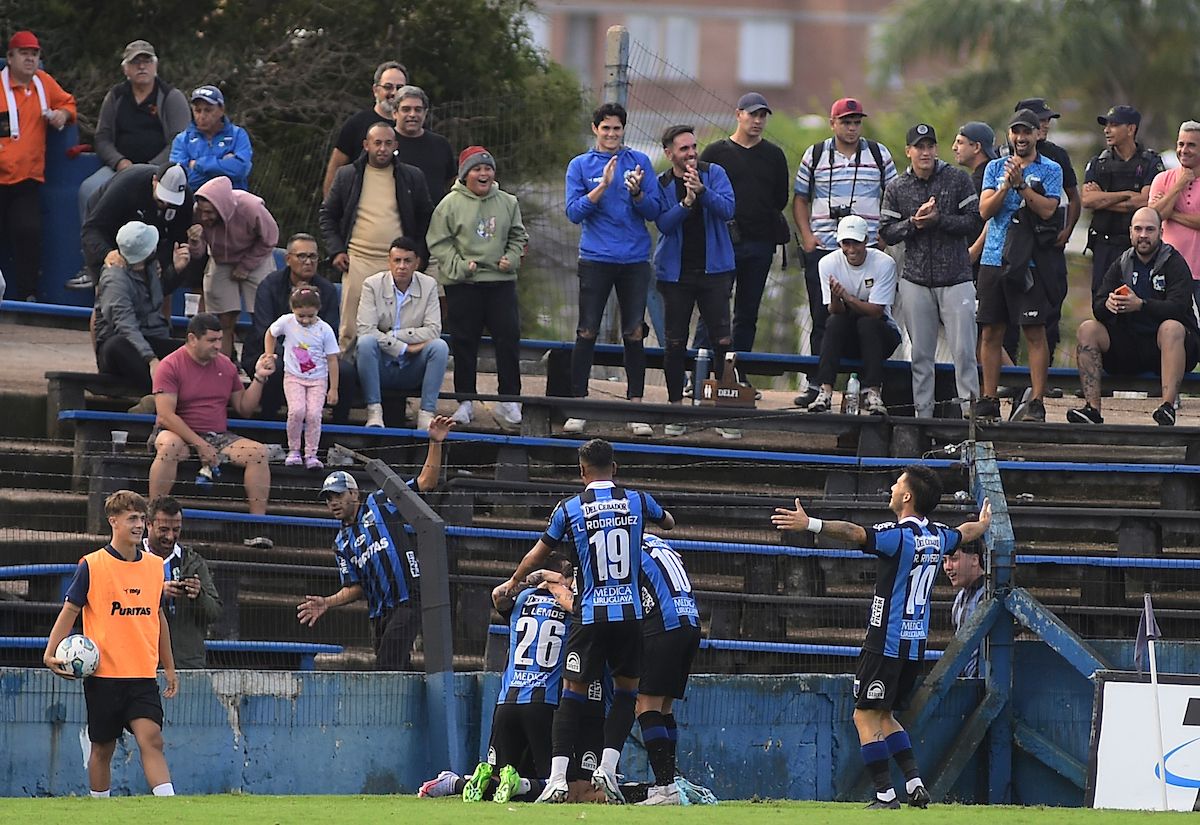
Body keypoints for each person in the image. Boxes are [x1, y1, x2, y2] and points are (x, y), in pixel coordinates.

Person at [771, 466, 992, 809]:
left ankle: (884, 795)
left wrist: (811, 524)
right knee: (886, 715)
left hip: (885, 642)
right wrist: (984, 524)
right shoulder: (938, 536)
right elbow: (965, 532)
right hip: (914, 644)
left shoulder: (899, 536)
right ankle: (916, 785)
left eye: (897, 483)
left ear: (907, 496)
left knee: (864, 715)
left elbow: (855, 532)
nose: (891, 487)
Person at [499, 438, 676, 803]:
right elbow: (669, 522)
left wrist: (515, 581)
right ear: (615, 467)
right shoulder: (639, 500)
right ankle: (607, 769)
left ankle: (557, 780)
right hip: (629, 614)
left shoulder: (570, 509)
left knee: (572, 694)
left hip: (589, 614)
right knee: (627, 692)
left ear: (581, 471)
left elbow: (538, 553)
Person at [43, 489, 178, 798]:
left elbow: (159, 620)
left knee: (152, 738)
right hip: (104, 677)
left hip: (142, 676)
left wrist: (169, 667)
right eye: (132, 518)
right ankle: (100, 808)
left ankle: (170, 808)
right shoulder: (92, 565)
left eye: (142, 519)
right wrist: (50, 653)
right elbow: (70, 611)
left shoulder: (154, 566)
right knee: (103, 748)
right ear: (113, 521)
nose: (139, 525)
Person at [297, 416, 453, 670]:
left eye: (338, 495)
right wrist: (327, 602)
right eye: (328, 499)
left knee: (386, 665)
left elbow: (426, 483)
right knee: (398, 667)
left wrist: (435, 444)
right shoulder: (341, 543)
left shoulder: (380, 503)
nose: (333, 502)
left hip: (408, 598)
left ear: (354, 493)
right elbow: (354, 587)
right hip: (379, 613)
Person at [562, 103, 663, 437]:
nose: (611, 134)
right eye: (605, 128)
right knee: (586, 330)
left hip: (634, 259)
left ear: (623, 130)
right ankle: (578, 406)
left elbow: (654, 210)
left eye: (617, 129)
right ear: (595, 129)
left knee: (634, 332)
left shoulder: (640, 162)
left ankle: (635, 406)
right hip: (595, 257)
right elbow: (574, 212)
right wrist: (602, 186)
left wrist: (636, 193)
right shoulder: (580, 165)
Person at [879, 123, 982, 418]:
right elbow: (886, 231)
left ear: (936, 149)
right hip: (916, 279)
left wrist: (939, 220)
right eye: (919, 147)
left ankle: (969, 416)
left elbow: (974, 221)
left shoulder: (957, 179)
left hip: (957, 277)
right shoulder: (897, 186)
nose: (925, 152)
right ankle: (922, 418)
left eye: (930, 146)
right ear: (908, 151)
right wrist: (914, 222)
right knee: (921, 356)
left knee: (964, 353)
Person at [792, 97, 897, 385]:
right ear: (832, 123)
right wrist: (808, 238)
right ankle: (816, 383)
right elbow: (800, 198)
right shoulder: (815, 155)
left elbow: (894, 196)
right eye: (846, 122)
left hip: (868, 250)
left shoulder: (878, 154)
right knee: (822, 317)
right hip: (825, 247)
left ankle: (868, 384)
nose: (852, 128)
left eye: (856, 122)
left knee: (871, 319)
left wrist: (883, 238)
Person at [426, 145, 528, 429]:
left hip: (501, 283)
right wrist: (459, 266)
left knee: (508, 340)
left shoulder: (508, 202)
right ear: (465, 174)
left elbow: (519, 236)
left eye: (487, 168)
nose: (483, 173)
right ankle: (465, 401)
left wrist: (512, 257)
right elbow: (439, 242)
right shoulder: (449, 204)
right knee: (464, 342)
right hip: (464, 284)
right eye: (476, 169)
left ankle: (509, 399)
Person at [1069, 207, 1199, 427]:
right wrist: (1108, 305)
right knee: (1087, 329)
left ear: (1160, 232)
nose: (1143, 235)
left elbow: (1178, 308)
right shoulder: (1122, 262)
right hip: (1130, 346)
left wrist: (1141, 305)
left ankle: (1167, 407)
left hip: (1170, 348)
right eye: (1138, 229)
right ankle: (1092, 409)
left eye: (1150, 229)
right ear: (1130, 233)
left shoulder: (1174, 262)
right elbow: (1098, 305)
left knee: (1171, 327)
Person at [975, 109, 1064, 422]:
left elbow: (1048, 210)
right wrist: (1005, 185)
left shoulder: (1050, 169)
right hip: (993, 257)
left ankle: (1037, 401)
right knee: (990, 331)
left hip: (1030, 261)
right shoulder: (994, 167)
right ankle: (988, 398)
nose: (1021, 138)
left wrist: (1022, 186)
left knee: (1034, 331)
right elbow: (985, 210)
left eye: (1027, 132)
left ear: (1037, 134)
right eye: (1016, 132)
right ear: (1009, 135)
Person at [652, 124, 735, 437]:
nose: (690, 154)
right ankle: (675, 408)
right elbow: (663, 224)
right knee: (674, 343)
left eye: (693, 147)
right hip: (676, 274)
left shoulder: (714, 173)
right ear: (669, 152)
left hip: (715, 270)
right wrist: (686, 202)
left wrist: (702, 191)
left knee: (723, 341)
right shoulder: (661, 182)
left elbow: (728, 209)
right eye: (683, 149)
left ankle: (723, 412)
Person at [150, 312, 276, 517]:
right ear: (192, 339)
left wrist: (259, 378)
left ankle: (257, 523)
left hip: (217, 435)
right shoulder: (170, 365)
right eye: (211, 340)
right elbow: (165, 415)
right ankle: (154, 514)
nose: (218, 345)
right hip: (176, 431)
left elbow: (244, 408)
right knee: (170, 446)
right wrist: (200, 444)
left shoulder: (226, 365)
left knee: (258, 452)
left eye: (220, 339)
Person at [321, 121, 433, 347]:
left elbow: (426, 218)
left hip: (397, 262)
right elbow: (327, 215)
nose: (382, 149)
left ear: (396, 145)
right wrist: (336, 251)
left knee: (394, 325)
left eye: (388, 143)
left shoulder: (411, 176)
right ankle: (348, 375)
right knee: (350, 327)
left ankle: (389, 375)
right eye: (377, 143)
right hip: (357, 259)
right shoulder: (347, 175)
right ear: (366, 145)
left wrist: (418, 254)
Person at [695, 92, 790, 360]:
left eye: (762, 115)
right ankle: (698, 371)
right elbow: (701, 194)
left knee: (747, 314)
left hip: (760, 243)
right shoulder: (715, 152)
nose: (758, 120)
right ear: (738, 115)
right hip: (721, 242)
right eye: (752, 114)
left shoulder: (774, 156)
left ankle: (736, 372)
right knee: (712, 308)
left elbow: (780, 198)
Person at [72, 39, 189, 241]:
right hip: (119, 168)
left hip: (158, 171)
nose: (142, 66)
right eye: (136, 62)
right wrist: (120, 162)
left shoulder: (171, 96)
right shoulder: (115, 96)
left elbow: (180, 140)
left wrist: (149, 167)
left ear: (155, 65)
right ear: (126, 68)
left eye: (147, 61)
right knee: (88, 190)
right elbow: (102, 137)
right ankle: (93, 251)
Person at [0, 30, 77, 301]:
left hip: (26, 179)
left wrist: (61, 115)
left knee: (29, 232)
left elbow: (69, 103)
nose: (30, 59)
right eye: (24, 53)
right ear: (10, 58)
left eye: (34, 54)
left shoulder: (44, 83)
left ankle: (28, 296)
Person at [806, 215, 900, 416]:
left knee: (868, 323)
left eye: (856, 243)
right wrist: (835, 297)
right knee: (834, 322)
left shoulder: (884, 264)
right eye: (846, 243)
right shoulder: (828, 263)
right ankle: (825, 389)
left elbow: (877, 311)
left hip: (880, 335)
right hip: (846, 335)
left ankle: (873, 390)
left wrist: (848, 298)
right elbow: (834, 311)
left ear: (866, 241)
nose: (851, 249)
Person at [242, 233, 340, 418]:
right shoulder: (269, 285)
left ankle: (338, 430)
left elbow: (331, 330)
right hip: (272, 350)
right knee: (275, 367)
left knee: (347, 372)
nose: (308, 262)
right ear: (288, 259)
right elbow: (264, 329)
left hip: (316, 355)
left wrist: (310, 358)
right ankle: (269, 422)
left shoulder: (327, 289)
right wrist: (297, 357)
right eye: (302, 256)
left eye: (313, 256)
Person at [355, 236, 449, 429]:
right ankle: (374, 412)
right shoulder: (372, 284)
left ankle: (426, 415)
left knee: (440, 347)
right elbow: (366, 329)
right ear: (389, 262)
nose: (402, 266)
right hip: (381, 363)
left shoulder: (429, 284)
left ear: (417, 263)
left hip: (411, 367)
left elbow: (434, 330)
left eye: (407, 261)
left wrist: (395, 335)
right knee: (365, 343)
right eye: (397, 260)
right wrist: (404, 347)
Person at [635, 534, 701, 805]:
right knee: (664, 708)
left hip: (663, 624)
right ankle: (672, 781)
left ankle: (665, 788)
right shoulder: (657, 541)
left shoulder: (625, 544)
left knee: (645, 705)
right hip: (690, 622)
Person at [1014, 98, 1081, 362]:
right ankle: (1012, 376)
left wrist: (1068, 230)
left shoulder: (1056, 155)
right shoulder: (1003, 156)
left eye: (1047, 121)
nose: (1045, 125)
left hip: (1047, 241)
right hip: (1015, 243)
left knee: (1051, 307)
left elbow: (1075, 197)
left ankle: (1047, 373)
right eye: (1040, 120)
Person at [193, 175, 280, 359]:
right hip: (220, 259)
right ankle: (224, 363)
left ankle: (262, 359)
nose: (204, 216)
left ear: (221, 207)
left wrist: (246, 265)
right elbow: (199, 252)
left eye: (209, 212)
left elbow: (270, 238)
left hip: (255, 256)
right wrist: (195, 242)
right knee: (223, 317)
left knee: (261, 313)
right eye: (201, 211)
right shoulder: (198, 213)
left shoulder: (251, 208)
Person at [94, 221, 187, 391]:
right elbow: (125, 326)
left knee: (193, 350)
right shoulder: (115, 279)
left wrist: (176, 270)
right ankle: (161, 393)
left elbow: (157, 295)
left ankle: (185, 394)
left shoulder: (150, 266)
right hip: (122, 346)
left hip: (151, 337)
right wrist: (151, 359)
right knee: (118, 345)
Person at [1082, 105, 1164, 293]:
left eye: (1113, 125)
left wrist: (1103, 200)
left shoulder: (1150, 161)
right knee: (1103, 301)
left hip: (1137, 246)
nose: (1106, 130)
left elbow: (1145, 202)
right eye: (1106, 125)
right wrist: (1127, 194)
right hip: (1104, 245)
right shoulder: (1099, 162)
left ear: (1130, 129)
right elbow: (1087, 200)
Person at [79, 162, 194, 289]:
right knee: (109, 284)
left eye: (171, 201)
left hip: (151, 235)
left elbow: (179, 240)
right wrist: (107, 253)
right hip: (109, 225)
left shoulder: (185, 200)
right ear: (154, 181)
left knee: (157, 282)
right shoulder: (127, 184)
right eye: (162, 198)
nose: (166, 203)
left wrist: (170, 267)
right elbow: (92, 229)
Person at [265, 285, 340, 469]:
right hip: (293, 377)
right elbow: (270, 333)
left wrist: (333, 388)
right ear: (293, 310)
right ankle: (294, 450)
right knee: (296, 411)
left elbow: (332, 359)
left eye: (310, 316)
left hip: (317, 380)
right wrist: (269, 354)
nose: (305, 320)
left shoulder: (325, 330)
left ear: (318, 310)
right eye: (301, 316)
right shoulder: (287, 322)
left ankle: (311, 454)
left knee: (314, 414)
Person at [145, 495, 222, 669]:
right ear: (148, 524)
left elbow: (215, 612)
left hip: (187, 663)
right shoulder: (131, 559)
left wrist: (198, 595)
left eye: (176, 529)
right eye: (163, 529)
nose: (170, 536)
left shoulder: (194, 562)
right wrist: (159, 594)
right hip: (142, 663)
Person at [321, 60, 408, 197]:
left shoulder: (413, 129)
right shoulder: (356, 124)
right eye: (388, 87)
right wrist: (330, 209)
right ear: (375, 90)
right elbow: (335, 168)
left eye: (400, 88)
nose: (394, 93)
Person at [1149, 121, 1200, 309]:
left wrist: (1172, 214)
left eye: (1191, 145)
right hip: (1168, 271)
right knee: (1170, 328)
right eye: (1181, 144)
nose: (1184, 150)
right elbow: (1154, 217)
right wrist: (1179, 184)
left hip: (1198, 275)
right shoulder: (1162, 179)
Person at [169, 85, 252, 192]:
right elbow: (179, 179)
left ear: (221, 110)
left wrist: (197, 164)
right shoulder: (182, 140)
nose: (202, 116)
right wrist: (224, 166)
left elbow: (241, 170)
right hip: (195, 203)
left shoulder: (238, 135)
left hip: (233, 201)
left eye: (208, 110)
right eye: (197, 111)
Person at [392, 85, 457, 204]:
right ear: (395, 113)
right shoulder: (384, 145)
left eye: (418, 109)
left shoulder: (440, 144)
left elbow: (452, 182)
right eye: (406, 109)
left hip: (434, 219)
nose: (412, 114)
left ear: (425, 113)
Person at [952, 121, 997, 270]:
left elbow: (995, 218)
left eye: (960, 142)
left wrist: (975, 250)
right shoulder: (984, 175)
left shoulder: (985, 181)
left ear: (977, 147)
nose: (954, 147)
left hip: (985, 260)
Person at [943, 541, 984, 679]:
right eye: (944, 560)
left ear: (974, 560)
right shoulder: (960, 596)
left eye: (954, 559)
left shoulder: (988, 595)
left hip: (981, 684)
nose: (947, 567)